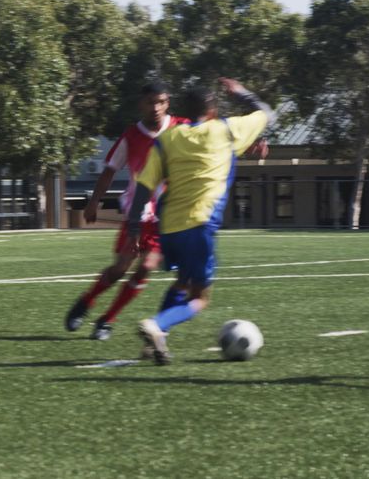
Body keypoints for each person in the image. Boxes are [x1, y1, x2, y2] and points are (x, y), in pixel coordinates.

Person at [128, 78, 275, 365]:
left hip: (169, 227)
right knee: (200, 297)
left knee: (182, 283)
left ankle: (156, 340)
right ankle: (157, 325)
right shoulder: (226, 130)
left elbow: (144, 186)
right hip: (200, 224)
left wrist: (134, 226)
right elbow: (267, 113)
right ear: (213, 110)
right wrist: (241, 93)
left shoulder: (167, 139)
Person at [64, 82, 189, 341]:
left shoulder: (182, 127)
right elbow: (110, 170)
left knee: (147, 266)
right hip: (137, 213)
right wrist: (93, 202)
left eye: (161, 102)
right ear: (141, 104)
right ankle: (86, 300)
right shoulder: (132, 136)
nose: (156, 107)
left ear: (167, 103)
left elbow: (215, 134)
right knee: (121, 268)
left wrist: (251, 143)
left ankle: (107, 320)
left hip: (167, 216)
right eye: (150, 102)